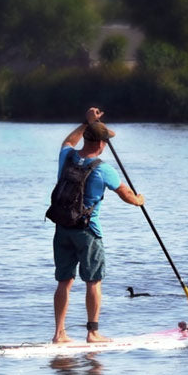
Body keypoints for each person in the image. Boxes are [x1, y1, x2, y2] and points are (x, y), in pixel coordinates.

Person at [51, 107, 144, 343]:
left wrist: (86, 122)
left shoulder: (67, 158)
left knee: (65, 281)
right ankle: (92, 333)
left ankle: (59, 333)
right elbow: (125, 194)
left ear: (85, 138)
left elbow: (67, 141)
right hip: (88, 232)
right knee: (93, 281)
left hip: (62, 228)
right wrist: (139, 201)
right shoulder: (103, 169)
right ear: (102, 144)